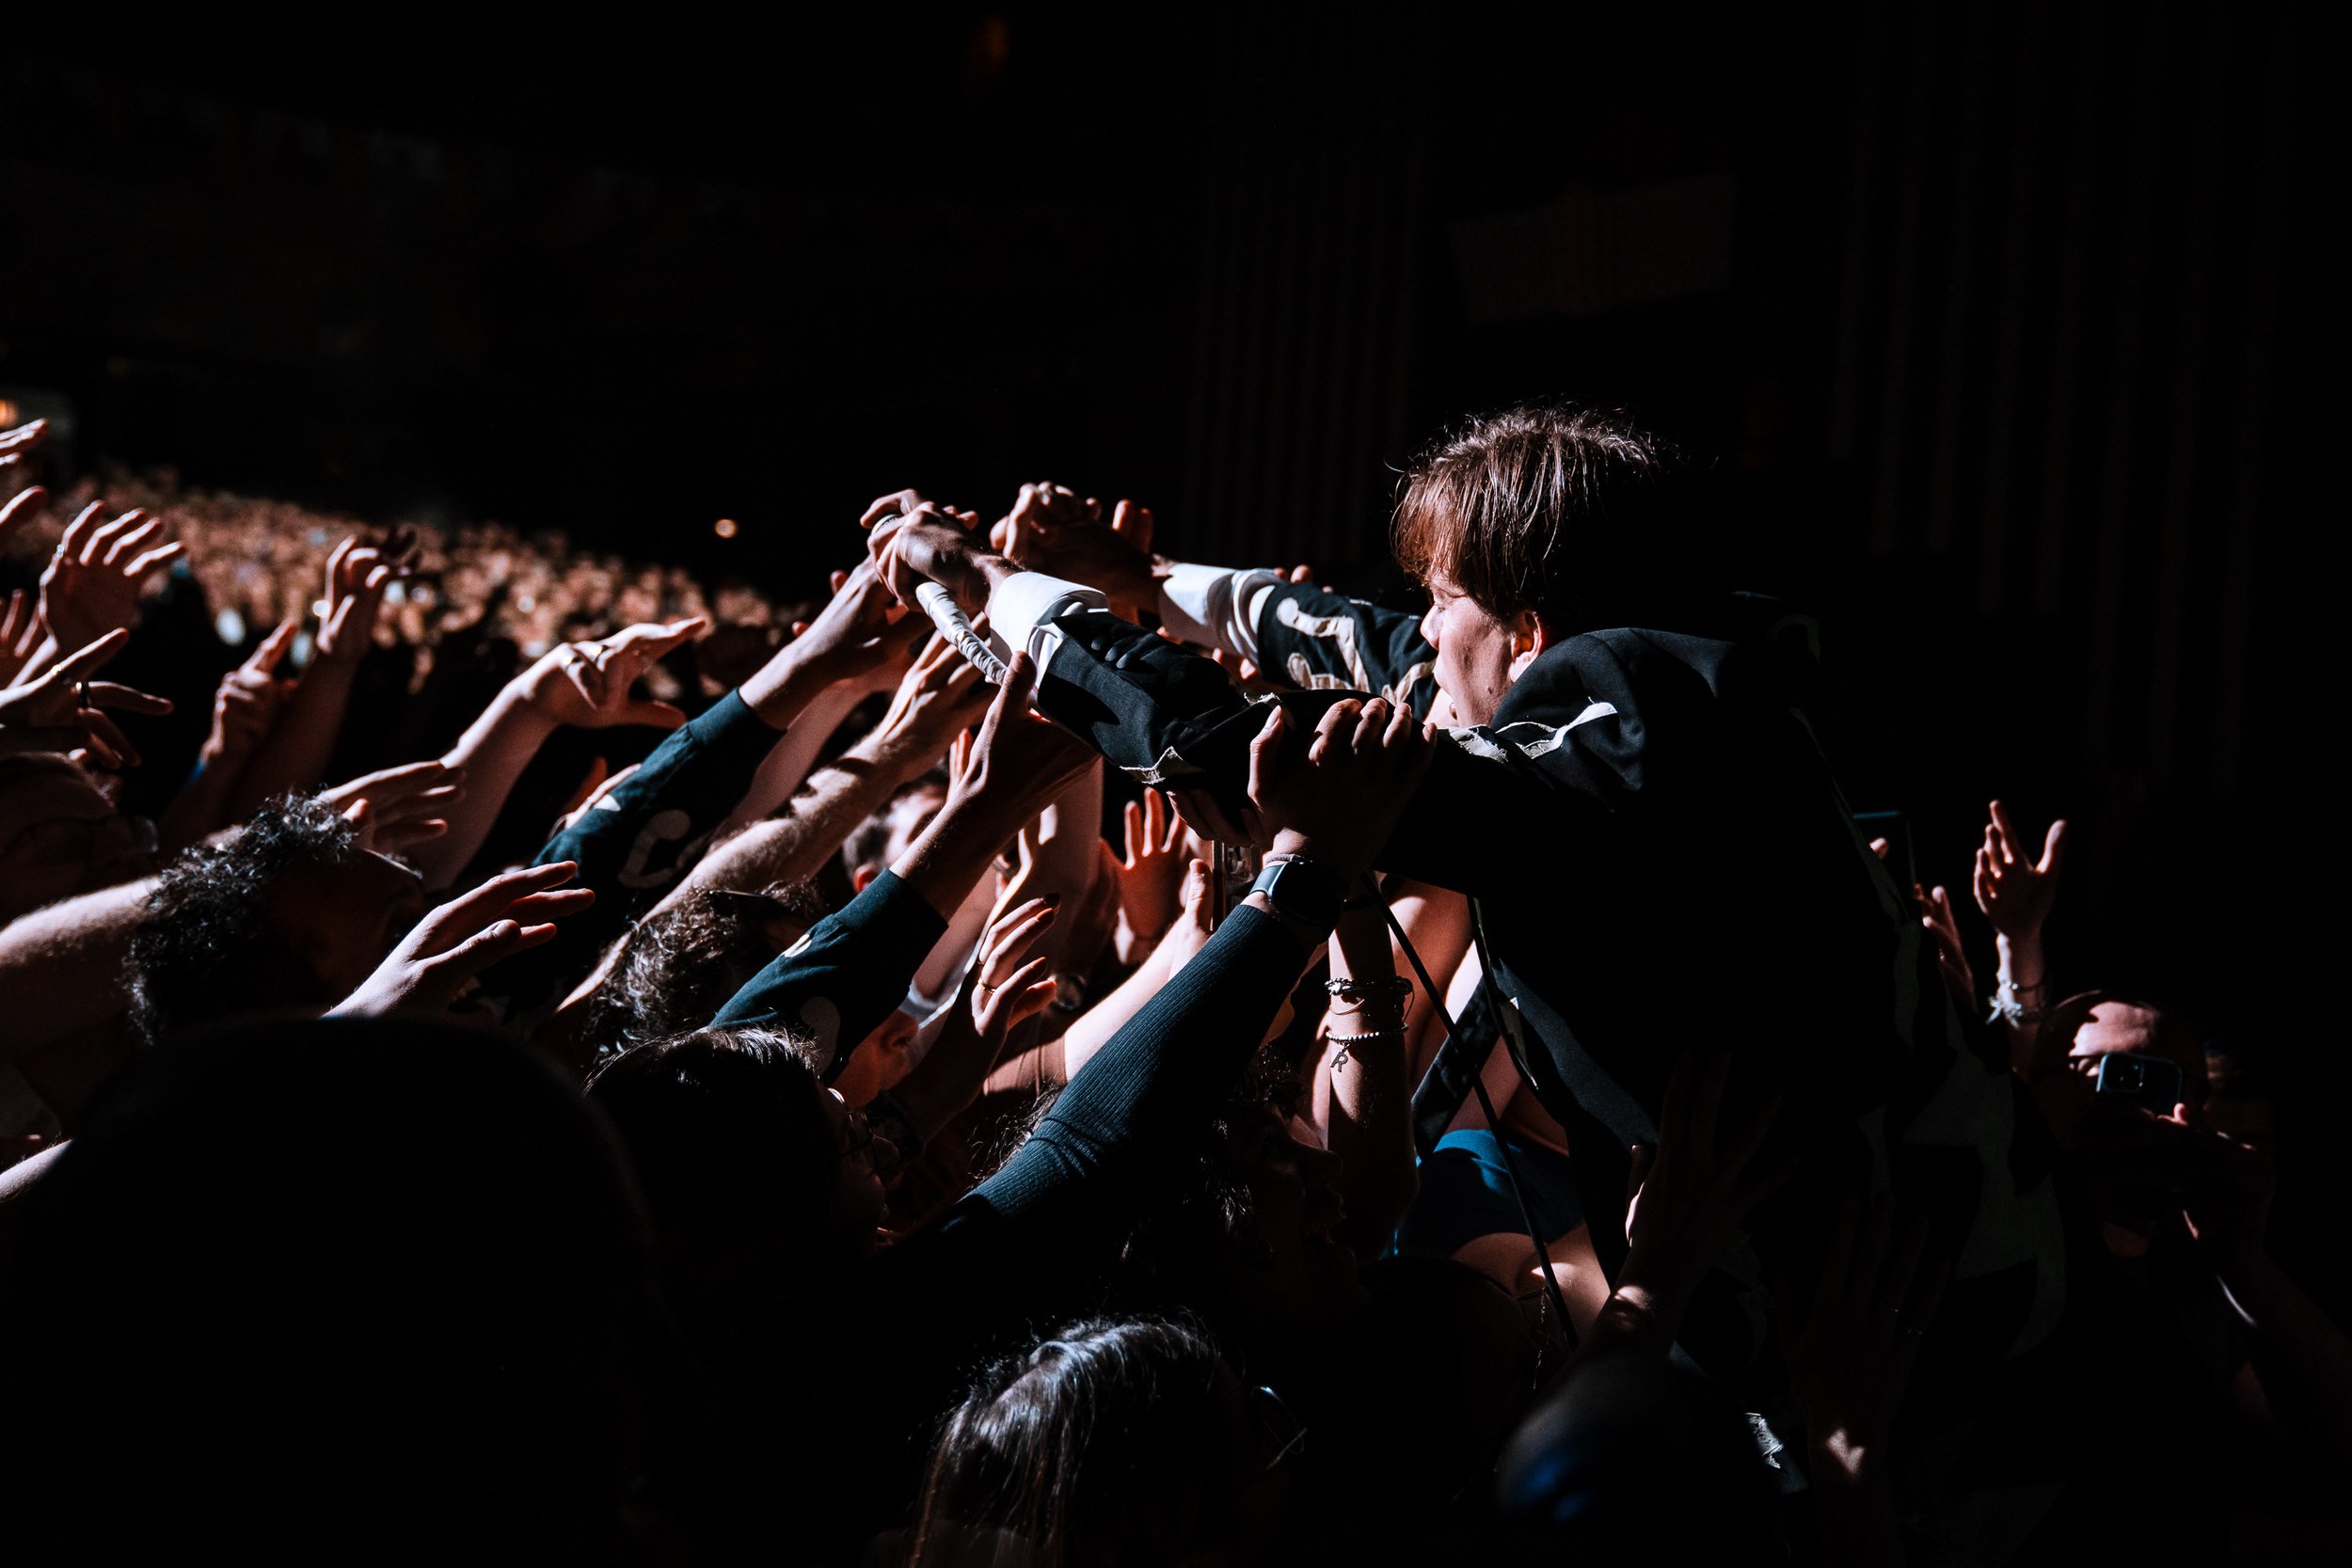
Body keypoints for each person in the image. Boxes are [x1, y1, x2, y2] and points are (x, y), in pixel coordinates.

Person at [861, 406, 2074, 1544]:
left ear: (1534, 634)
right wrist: (1149, 587)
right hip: (1938, 1345)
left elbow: (1248, 761)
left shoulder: (1623, 754)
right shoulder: (1694, 691)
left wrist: (980, 588)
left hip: (1938, 1417)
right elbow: (1372, 649)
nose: (1424, 631)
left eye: (1444, 597)